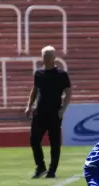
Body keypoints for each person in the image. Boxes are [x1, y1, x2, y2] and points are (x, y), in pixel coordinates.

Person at [25, 45, 72, 178]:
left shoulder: (62, 75)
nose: (45, 58)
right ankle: (40, 167)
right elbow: (34, 90)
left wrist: (63, 109)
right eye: (43, 55)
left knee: (54, 143)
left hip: (54, 113)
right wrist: (29, 106)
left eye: (48, 56)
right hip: (39, 112)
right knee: (34, 140)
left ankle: (52, 171)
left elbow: (68, 93)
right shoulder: (38, 73)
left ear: (53, 58)